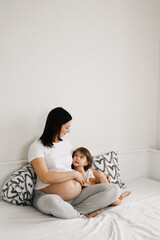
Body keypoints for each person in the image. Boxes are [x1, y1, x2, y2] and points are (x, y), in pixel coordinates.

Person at [28, 107, 121, 219]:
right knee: (53, 203)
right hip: (47, 196)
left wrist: (98, 173)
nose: (69, 131)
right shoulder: (37, 147)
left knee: (114, 189)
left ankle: (74, 211)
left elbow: (77, 164)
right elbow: (45, 177)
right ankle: (79, 215)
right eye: (66, 127)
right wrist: (73, 174)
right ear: (56, 126)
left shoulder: (66, 144)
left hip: (77, 196)